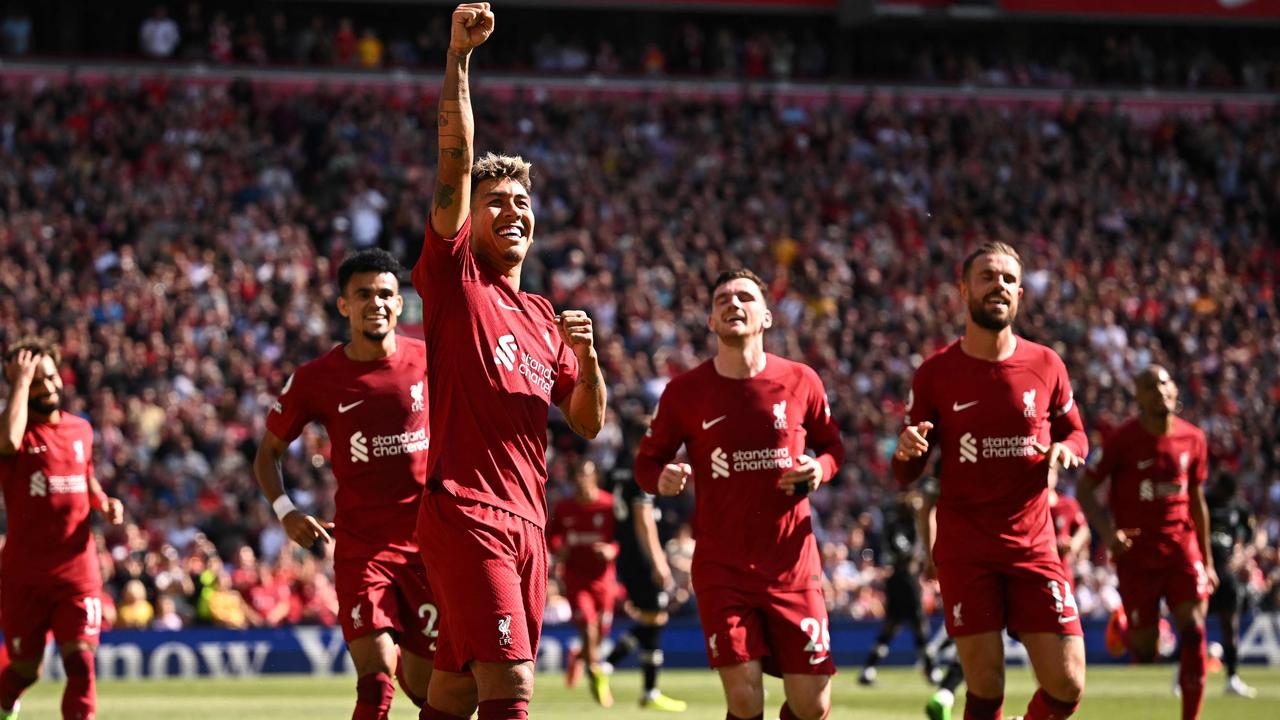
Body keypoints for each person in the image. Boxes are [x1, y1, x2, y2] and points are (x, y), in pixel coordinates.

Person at [410, 5, 606, 719]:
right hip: (467, 510)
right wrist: (460, 59)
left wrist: (587, 358)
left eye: (523, 202)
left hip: (528, 520)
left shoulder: (545, 317)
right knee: (512, 689)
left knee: (457, 689)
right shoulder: (456, 276)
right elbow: (455, 158)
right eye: (497, 203)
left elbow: (585, 421)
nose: (514, 212)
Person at [636, 268, 845, 720]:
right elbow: (645, 464)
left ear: (766, 317)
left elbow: (833, 449)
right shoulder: (684, 392)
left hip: (792, 563)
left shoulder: (802, 380)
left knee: (814, 704)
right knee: (745, 699)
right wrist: (661, 479)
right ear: (711, 321)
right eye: (722, 300)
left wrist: (819, 469)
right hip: (722, 566)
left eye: (745, 297)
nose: (734, 304)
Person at [893, 241, 1088, 720]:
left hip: (1034, 545)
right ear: (964, 290)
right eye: (987, 276)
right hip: (967, 548)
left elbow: (1078, 433)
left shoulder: (1047, 364)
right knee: (985, 687)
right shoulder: (936, 374)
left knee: (1067, 686)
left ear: (1019, 293)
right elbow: (907, 474)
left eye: (1007, 279)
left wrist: (1068, 450)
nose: (998, 285)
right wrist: (906, 453)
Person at [255, 248, 435, 720]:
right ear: (343, 306)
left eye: (384, 295)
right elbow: (267, 454)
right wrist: (286, 511)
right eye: (363, 295)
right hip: (363, 549)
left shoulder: (431, 360)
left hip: (430, 548)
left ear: (399, 305)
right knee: (376, 683)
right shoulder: (317, 379)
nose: (375, 303)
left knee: (432, 695)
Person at [1077, 365, 1216, 720]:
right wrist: (1109, 536)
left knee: (1193, 627)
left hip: (1181, 547)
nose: (1160, 391)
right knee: (1146, 648)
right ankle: (1123, 625)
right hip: (1137, 553)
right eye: (1150, 387)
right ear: (1138, 397)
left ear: (1174, 390)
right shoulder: (1122, 440)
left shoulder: (1193, 438)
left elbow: (1197, 501)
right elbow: (1085, 488)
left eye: (1165, 383)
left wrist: (1208, 560)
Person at [1, 338, 125, 720]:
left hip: (77, 570)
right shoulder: (16, 433)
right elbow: (7, 440)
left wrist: (103, 502)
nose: (48, 387)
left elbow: (83, 477)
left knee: (80, 663)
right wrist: (18, 383)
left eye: (51, 378)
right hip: (25, 575)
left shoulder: (80, 430)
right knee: (26, 670)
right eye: (36, 381)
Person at [599, 421, 687, 713]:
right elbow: (643, 518)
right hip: (642, 554)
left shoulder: (616, 469)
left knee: (653, 618)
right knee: (655, 617)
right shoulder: (643, 469)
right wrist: (658, 562)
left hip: (626, 551)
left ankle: (650, 690)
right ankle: (606, 665)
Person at [546, 459, 618, 707]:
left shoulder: (609, 505)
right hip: (576, 577)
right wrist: (558, 549)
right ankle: (597, 677)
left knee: (600, 631)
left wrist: (612, 550)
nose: (581, 483)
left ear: (594, 478)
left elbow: (622, 537)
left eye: (585, 477)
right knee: (587, 627)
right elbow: (550, 536)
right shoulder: (565, 507)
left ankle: (579, 656)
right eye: (576, 479)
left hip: (604, 579)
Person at [858, 490, 937, 687]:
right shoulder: (899, 526)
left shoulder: (907, 525)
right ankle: (930, 669)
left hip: (903, 579)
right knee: (916, 625)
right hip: (902, 580)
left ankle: (869, 669)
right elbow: (903, 552)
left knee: (894, 627)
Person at [916, 478, 966, 720]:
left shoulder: (944, 459)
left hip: (954, 562)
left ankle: (945, 693)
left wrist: (930, 556)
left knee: (976, 636)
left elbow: (926, 507)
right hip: (987, 558)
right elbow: (927, 506)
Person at [1205, 472, 1258, 698]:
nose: (1214, 488)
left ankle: (1232, 678)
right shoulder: (1204, 502)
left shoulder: (1239, 507)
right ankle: (1184, 674)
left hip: (1227, 575)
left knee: (1231, 627)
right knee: (1193, 625)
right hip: (1204, 571)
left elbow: (1253, 536)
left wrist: (1243, 554)